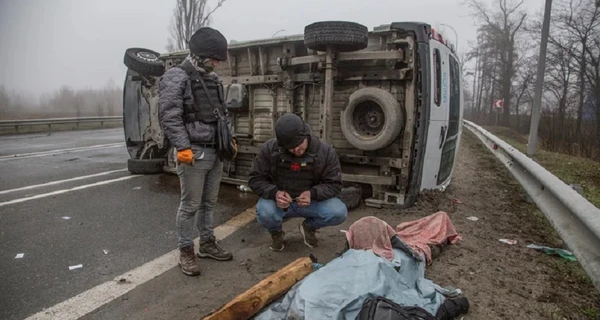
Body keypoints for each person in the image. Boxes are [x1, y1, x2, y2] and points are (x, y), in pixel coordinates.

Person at [158, 27, 236, 276]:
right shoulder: (176, 76)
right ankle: (185, 251)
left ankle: (207, 243)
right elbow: (169, 116)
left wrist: (229, 139)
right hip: (193, 152)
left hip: (215, 151)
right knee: (190, 205)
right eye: (214, 58)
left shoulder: (213, 80)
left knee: (208, 203)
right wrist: (182, 146)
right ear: (200, 54)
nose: (216, 63)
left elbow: (223, 113)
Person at [248, 113, 348, 251]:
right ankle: (276, 232)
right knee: (264, 212)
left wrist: (312, 193)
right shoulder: (269, 149)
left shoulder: (325, 151)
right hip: (280, 203)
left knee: (338, 212)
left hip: (311, 202)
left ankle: (309, 227)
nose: (296, 150)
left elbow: (335, 185)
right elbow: (255, 179)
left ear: (305, 135)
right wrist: (274, 193)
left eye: (298, 144)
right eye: (290, 147)